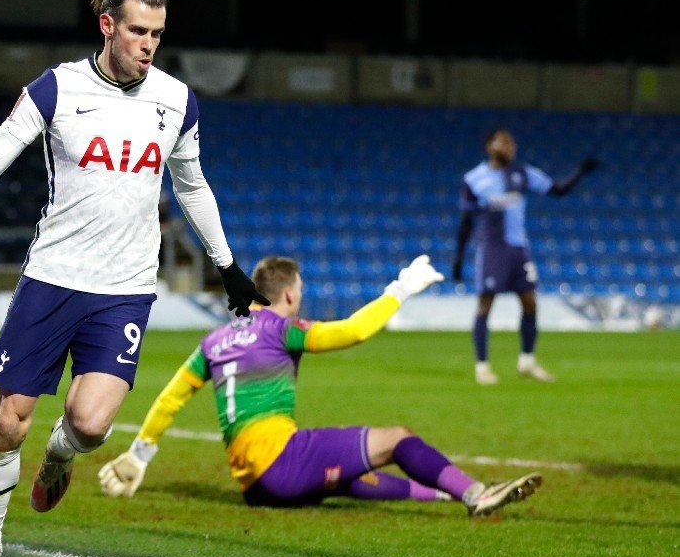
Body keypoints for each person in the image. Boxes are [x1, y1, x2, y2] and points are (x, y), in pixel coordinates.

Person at [0, 0, 269, 557]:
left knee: (90, 426)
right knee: (9, 424)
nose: (149, 44)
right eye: (138, 30)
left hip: (125, 289)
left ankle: (60, 457)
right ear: (107, 26)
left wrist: (228, 266)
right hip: (53, 279)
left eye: (157, 33)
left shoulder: (176, 99)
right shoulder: (55, 90)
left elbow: (194, 188)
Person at [99, 255, 542, 515]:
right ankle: (475, 494)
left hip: (255, 487)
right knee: (398, 439)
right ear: (289, 294)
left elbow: (173, 395)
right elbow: (351, 332)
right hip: (283, 463)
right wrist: (399, 290)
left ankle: (442, 492)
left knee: (349, 477)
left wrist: (140, 453)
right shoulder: (280, 329)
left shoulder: (214, 340)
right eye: (301, 289)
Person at [453, 128, 599, 385]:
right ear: (489, 146)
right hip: (492, 249)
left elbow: (557, 190)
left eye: (512, 143)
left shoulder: (523, 174)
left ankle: (527, 362)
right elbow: (466, 218)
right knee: (486, 304)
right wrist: (459, 257)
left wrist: (579, 172)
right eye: (503, 142)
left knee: (530, 302)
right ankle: (482, 366)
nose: (509, 147)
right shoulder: (475, 178)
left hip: (520, 250)